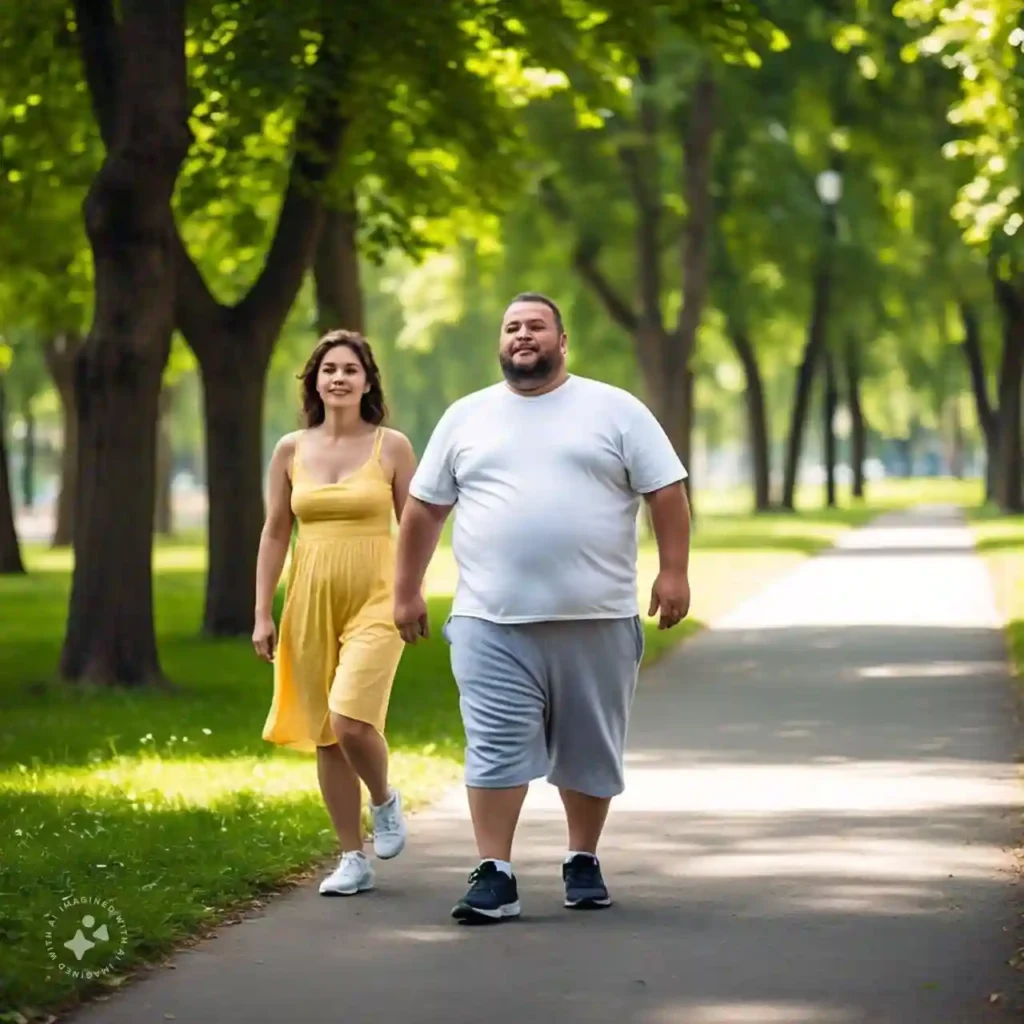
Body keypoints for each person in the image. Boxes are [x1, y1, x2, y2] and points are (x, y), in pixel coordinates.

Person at [393, 292, 691, 924]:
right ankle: (494, 873)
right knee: (494, 746)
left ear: (562, 341)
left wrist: (673, 571)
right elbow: (423, 509)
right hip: (489, 620)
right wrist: (406, 589)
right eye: (511, 327)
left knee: (589, 749)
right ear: (500, 343)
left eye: (535, 326)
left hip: (598, 618)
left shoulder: (615, 409)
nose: (522, 335)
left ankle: (581, 857)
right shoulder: (467, 417)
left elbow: (665, 491)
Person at [255, 329, 417, 897]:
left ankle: (385, 800)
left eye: (350, 369)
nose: (339, 378)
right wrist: (262, 612)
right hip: (309, 600)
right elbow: (276, 531)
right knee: (327, 735)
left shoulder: (391, 446)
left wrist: (412, 593)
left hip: (378, 599)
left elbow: (416, 527)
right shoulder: (290, 449)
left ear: (367, 381)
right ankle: (352, 856)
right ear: (315, 382)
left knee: (350, 718)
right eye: (329, 369)